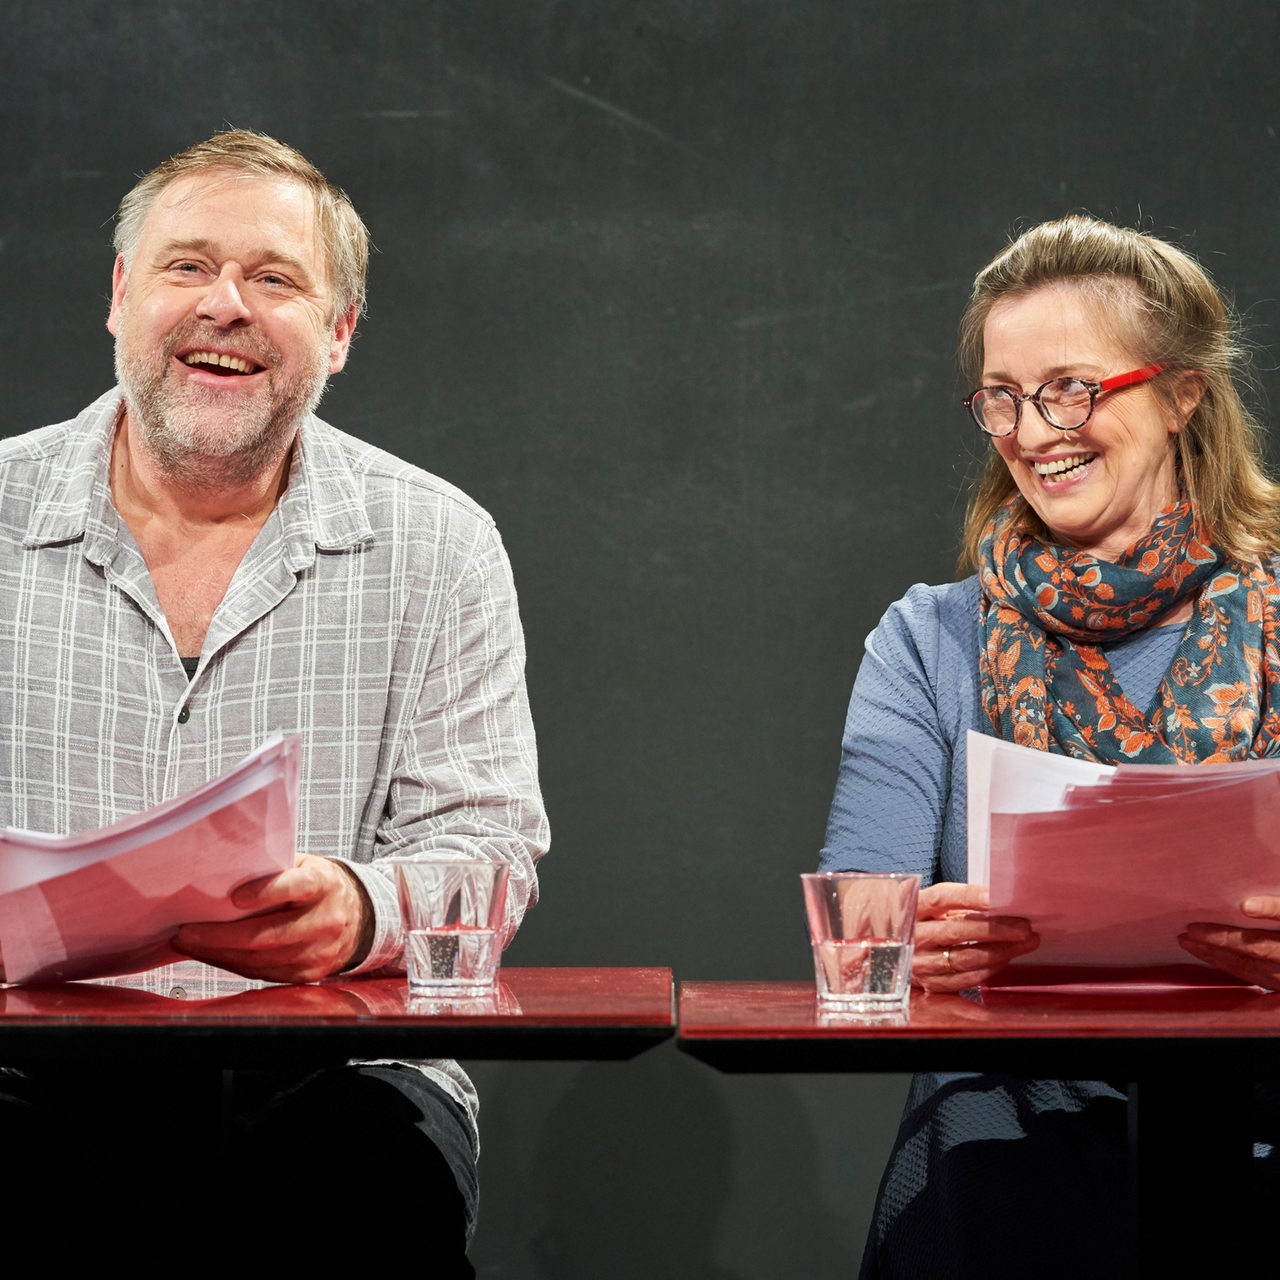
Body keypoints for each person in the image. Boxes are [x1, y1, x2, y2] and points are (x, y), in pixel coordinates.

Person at [0, 130, 547, 1266]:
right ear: (118, 296)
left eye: (275, 278)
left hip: (334, 1061)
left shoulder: (439, 542)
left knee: (358, 1188)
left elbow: (491, 848)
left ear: (339, 333)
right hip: (25, 1059)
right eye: (187, 266)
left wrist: (357, 907)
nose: (226, 306)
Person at [820, 214, 1280, 1277]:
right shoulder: (927, 638)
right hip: (999, 1131)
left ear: (1179, 394)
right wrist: (910, 941)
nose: (1033, 430)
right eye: (1001, 397)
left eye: (1070, 387)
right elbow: (852, 935)